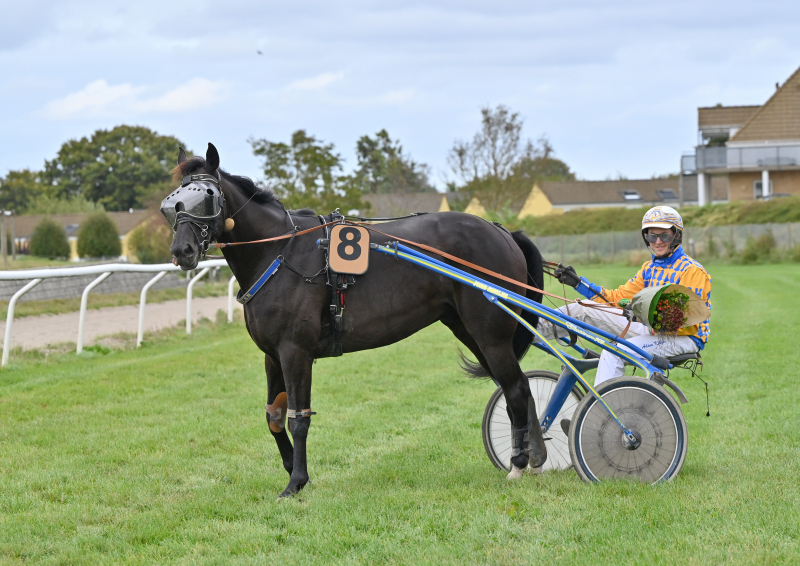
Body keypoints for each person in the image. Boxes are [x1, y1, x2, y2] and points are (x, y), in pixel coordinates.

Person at [537, 205, 712, 386]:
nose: (658, 241)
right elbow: (615, 298)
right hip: (651, 330)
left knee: (614, 352)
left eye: (664, 236)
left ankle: (600, 409)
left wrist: (643, 316)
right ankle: (526, 332)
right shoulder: (648, 269)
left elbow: (686, 318)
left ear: (677, 236)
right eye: (652, 236)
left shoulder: (692, 271)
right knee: (582, 308)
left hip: (683, 338)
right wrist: (579, 284)